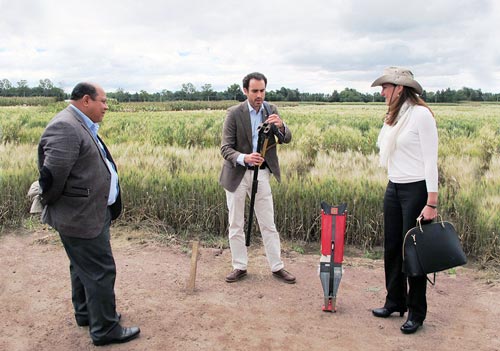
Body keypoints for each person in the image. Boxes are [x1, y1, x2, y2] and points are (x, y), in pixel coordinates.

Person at [37, 82, 140, 346]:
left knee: (82, 267)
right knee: (100, 270)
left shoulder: (79, 123)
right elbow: (51, 178)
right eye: (103, 101)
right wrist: (55, 204)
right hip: (81, 216)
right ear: (86, 100)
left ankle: (86, 314)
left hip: (90, 213)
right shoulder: (66, 127)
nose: (106, 107)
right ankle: (105, 329)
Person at [371, 67, 439, 334]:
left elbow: (430, 160)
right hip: (394, 187)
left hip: (416, 190)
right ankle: (394, 301)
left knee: (413, 253)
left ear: (400, 88)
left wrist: (431, 202)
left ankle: (416, 312)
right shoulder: (394, 116)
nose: (382, 92)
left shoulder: (421, 115)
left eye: (385, 87)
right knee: (391, 248)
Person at [219, 72, 296, 284]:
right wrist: (244, 157)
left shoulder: (271, 110)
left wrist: (281, 126)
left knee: (268, 222)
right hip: (237, 174)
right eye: (254, 91)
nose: (259, 95)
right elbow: (225, 148)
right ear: (245, 91)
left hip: (261, 174)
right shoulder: (234, 113)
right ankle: (239, 266)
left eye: (262, 91)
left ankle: (277, 266)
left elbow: (286, 139)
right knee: (235, 222)